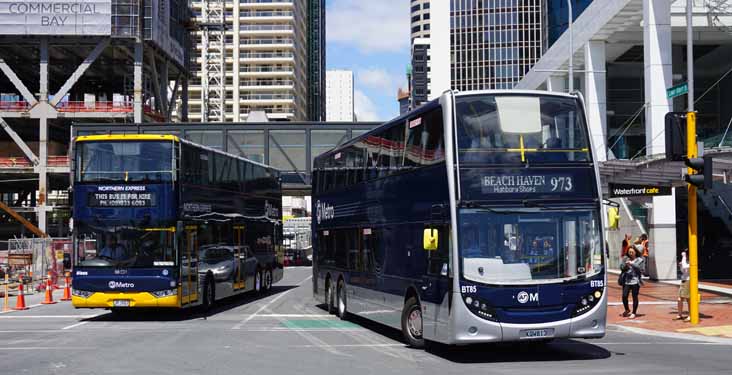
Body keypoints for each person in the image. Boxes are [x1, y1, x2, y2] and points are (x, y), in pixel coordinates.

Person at [620, 247, 645, 319]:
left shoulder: (640, 260)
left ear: (635, 252)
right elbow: (621, 267)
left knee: (635, 297)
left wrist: (632, 264)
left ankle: (634, 312)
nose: (630, 254)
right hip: (626, 280)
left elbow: (641, 270)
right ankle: (627, 309)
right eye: (629, 252)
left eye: (632, 252)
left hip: (635, 281)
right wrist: (626, 265)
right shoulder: (625, 258)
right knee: (624, 296)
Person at [677, 250, 691, 322]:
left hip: (688, 280)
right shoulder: (685, 261)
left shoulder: (692, 261)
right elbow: (683, 270)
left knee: (688, 299)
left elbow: (685, 266)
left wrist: (683, 256)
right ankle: (680, 314)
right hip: (683, 280)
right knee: (679, 298)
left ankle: (690, 315)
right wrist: (681, 266)